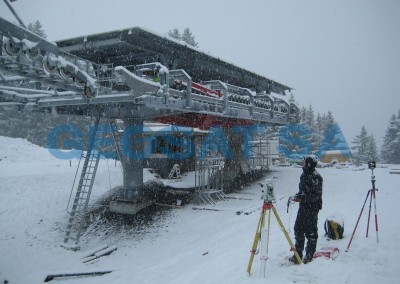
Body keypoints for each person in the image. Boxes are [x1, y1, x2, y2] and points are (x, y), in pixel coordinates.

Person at [289, 155, 323, 264]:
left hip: (312, 208)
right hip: (303, 207)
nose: (303, 163)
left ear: (309, 164)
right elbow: (303, 191)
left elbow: (316, 196)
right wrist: (297, 196)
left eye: (305, 162)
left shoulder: (317, 177)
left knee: (311, 233)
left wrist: (302, 199)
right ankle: (297, 255)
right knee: (298, 229)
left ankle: (309, 256)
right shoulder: (304, 175)